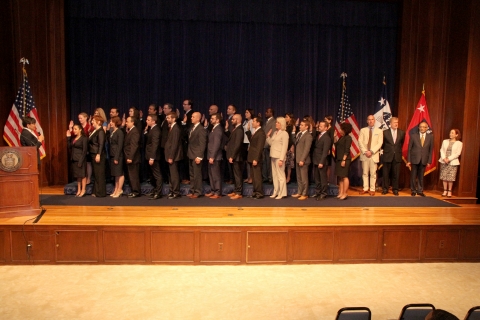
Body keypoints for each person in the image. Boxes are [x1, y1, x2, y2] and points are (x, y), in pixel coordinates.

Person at [407, 121, 434, 197]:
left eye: (424, 127)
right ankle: (413, 190)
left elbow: (431, 149)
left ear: (427, 128)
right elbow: (409, 149)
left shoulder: (430, 137)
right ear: (419, 128)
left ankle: (420, 190)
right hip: (414, 159)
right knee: (413, 175)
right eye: (421, 127)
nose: (422, 128)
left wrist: (429, 161)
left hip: (424, 159)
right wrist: (409, 160)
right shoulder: (413, 136)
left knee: (421, 176)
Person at [358, 115, 383, 196]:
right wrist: (365, 152)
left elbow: (380, 143)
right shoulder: (363, 130)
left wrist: (371, 151)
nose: (370, 121)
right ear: (367, 121)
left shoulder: (379, 131)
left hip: (373, 155)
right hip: (365, 155)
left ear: (374, 120)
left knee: (373, 173)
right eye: (369, 119)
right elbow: (360, 142)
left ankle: (372, 189)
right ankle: (365, 188)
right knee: (365, 173)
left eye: (372, 119)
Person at [266, 117, 289, 199]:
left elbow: (284, 147)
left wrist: (281, 159)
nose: (276, 124)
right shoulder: (275, 132)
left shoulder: (284, 133)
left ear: (282, 124)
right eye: (276, 122)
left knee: (281, 176)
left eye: (278, 123)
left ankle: (282, 193)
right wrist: (268, 137)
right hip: (273, 156)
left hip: (279, 157)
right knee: (275, 175)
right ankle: (276, 191)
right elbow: (271, 143)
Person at [381, 117, 405, 196]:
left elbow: (401, 143)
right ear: (390, 124)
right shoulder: (385, 132)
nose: (396, 124)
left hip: (397, 156)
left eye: (397, 122)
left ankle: (395, 189)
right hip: (387, 155)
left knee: (396, 174)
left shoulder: (401, 132)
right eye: (394, 122)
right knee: (386, 173)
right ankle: (385, 189)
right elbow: (383, 144)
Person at [186, 112, 207, 198]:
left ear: (198, 118)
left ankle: (198, 191)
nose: (191, 118)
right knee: (192, 174)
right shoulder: (192, 127)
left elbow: (202, 144)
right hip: (190, 154)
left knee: (197, 174)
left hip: (196, 155)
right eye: (191, 117)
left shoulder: (201, 129)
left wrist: (199, 156)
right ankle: (192, 190)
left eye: (193, 117)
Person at [291, 120, 313, 200]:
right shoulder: (299, 134)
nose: (300, 126)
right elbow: (296, 143)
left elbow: (306, 149)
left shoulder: (308, 136)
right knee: (299, 178)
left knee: (304, 178)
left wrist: (302, 159)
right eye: (300, 124)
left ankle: (305, 193)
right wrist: (293, 133)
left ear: (306, 127)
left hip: (303, 160)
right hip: (297, 159)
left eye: (302, 125)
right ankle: (299, 192)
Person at [246, 116, 266, 199]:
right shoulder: (256, 132)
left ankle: (259, 193)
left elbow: (259, 147)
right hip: (252, 157)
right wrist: (248, 131)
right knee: (253, 176)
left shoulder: (261, 133)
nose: (252, 122)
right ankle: (255, 192)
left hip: (256, 158)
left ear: (258, 123)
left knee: (257, 176)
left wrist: (256, 159)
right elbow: (252, 142)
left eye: (254, 121)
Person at [205, 113, 224, 199]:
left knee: (215, 175)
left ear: (218, 120)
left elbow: (216, 144)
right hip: (211, 155)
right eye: (211, 118)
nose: (211, 119)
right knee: (211, 174)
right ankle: (213, 190)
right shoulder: (213, 128)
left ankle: (217, 192)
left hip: (215, 157)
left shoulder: (218, 129)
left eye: (213, 118)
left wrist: (212, 156)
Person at [225, 114, 245, 199]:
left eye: (233, 119)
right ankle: (236, 190)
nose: (231, 120)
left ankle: (239, 193)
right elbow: (231, 139)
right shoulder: (236, 129)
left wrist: (232, 156)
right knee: (235, 174)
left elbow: (237, 144)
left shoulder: (240, 130)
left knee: (237, 175)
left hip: (236, 157)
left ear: (238, 120)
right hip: (234, 156)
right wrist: (226, 129)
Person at [164, 112, 184, 199]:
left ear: (174, 119)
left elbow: (175, 144)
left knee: (174, 174)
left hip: (173, 156)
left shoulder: (176, 129)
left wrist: (171, 156)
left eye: (168, 118)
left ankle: (176, 192)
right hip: (170, 155)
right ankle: (172, 190)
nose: (167, 119)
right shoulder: (172, 128)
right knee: (171, 174)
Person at [439, 128, 463, 198]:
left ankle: (449, 191)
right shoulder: (445, 141)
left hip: (452, 161)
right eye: (450, 133)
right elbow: (442, 150)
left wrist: (449, 159)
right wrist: (444, 158)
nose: (450, 134)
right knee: (444, 176)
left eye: (452, 133)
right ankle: (445, 190)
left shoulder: (459, 143)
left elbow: (457, 153)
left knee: (450, 177)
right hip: (444, 160)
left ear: (456, 135)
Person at [312, 121, 332, 200]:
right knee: (317, 178)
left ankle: (323, 193)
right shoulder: (319, 135)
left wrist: (321, 162)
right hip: (316, 160)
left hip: (321, 162)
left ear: (326, 128)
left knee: (323, 179)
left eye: (321, 126)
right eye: (319, 126)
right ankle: (318, 192)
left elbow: (325, 151)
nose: (319, 127)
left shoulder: (327, 138)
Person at [145, 114, 163, 200]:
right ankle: (155, 190)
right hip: (150, 155)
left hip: (154, 156)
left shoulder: (156, 130)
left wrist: (152, 157)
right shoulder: (151, 129)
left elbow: (155, 145)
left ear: (153, 121)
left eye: (148, 120)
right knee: (153, 174)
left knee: (157, 175)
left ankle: (158, 193)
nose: (146, 121)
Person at [66, 124, 87, 197]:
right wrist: (68, 138)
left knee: (83, 175)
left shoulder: (84, 138)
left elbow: (84, 151)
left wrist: (81, 161)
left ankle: (83, 189)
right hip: (74, 159)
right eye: (73, 129)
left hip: (80, 159)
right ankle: (79, 190)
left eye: (75, 129)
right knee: (78, 176)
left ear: (80, 129)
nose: (74, 131)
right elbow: (69, 147)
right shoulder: (74, 138)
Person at [89, 116, 107, 197]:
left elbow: (101, 144)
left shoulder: (100, 131)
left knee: (99, 174)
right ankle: (96, 191)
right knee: (96, 174)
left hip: (97, 154)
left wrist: (98, 154)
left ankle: (100, 193)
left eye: (93, 120)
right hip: (93, 154)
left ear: (99, 122)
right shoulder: (95, 130)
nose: (92, 122)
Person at [124, 116, 141, 198]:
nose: (126, 123)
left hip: (133, 158)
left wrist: (130, 157)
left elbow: (134, 146)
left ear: (132, 122)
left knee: (133, 175)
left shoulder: (134, 132)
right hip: (129, 157)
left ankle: (136, 191)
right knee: (131, 175)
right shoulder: (130, 131)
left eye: (127, 121)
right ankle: (133, 190)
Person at [335, 122, 353, 200]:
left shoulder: (348, 138)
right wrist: (335, 137)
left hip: (344, 159)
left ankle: (345, 193)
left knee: (345, 176)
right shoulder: (341, 137)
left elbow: (347, 149)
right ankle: (341, 192)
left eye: (341, 129)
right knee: (340, 177)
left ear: (345, 130)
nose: (340, 130)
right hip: (339, 158)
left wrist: (344, 159)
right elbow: (337, 145)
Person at [109, 116, 124, 198]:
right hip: (112, 154)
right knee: (115, 174)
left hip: (118, 155)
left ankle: (119, 189)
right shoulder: (113, 131)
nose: (110, 123)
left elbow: (120, 145)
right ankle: (116, 188)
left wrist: (116, 157)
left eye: (112, 121)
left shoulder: (119, 132)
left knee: (119, 173)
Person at [262, 108, 276, 184]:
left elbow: (273, 133)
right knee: (264, 162)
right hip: (264, 145)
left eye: (267, 112)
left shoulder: (273, 122)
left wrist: (269, 144)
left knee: (269, 163)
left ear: (271, 113)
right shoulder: (266, 122)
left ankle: (270, 178)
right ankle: (265, 177)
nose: (265, 113)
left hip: (268, 144)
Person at [243, 108, 254, 184]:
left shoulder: (252, 121)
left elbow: (252, 134)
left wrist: (250, 144)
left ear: (251, 113)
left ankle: (251, 178)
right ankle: (248, 176)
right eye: (245, 112)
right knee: (246, 161)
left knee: (250, 162)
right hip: (244, 142)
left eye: (247, 112)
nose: (245, 114)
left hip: (248, 142)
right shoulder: (245, 122)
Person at [285, 113, 296, 184]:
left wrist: (292, 146)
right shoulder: (284, 126)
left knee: (289, 163)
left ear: (290, 118)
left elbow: (292, 138)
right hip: (284, 145)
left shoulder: (292, 126)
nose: (285, 118)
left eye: (287, 117)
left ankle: (288, 177)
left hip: (289, 146)